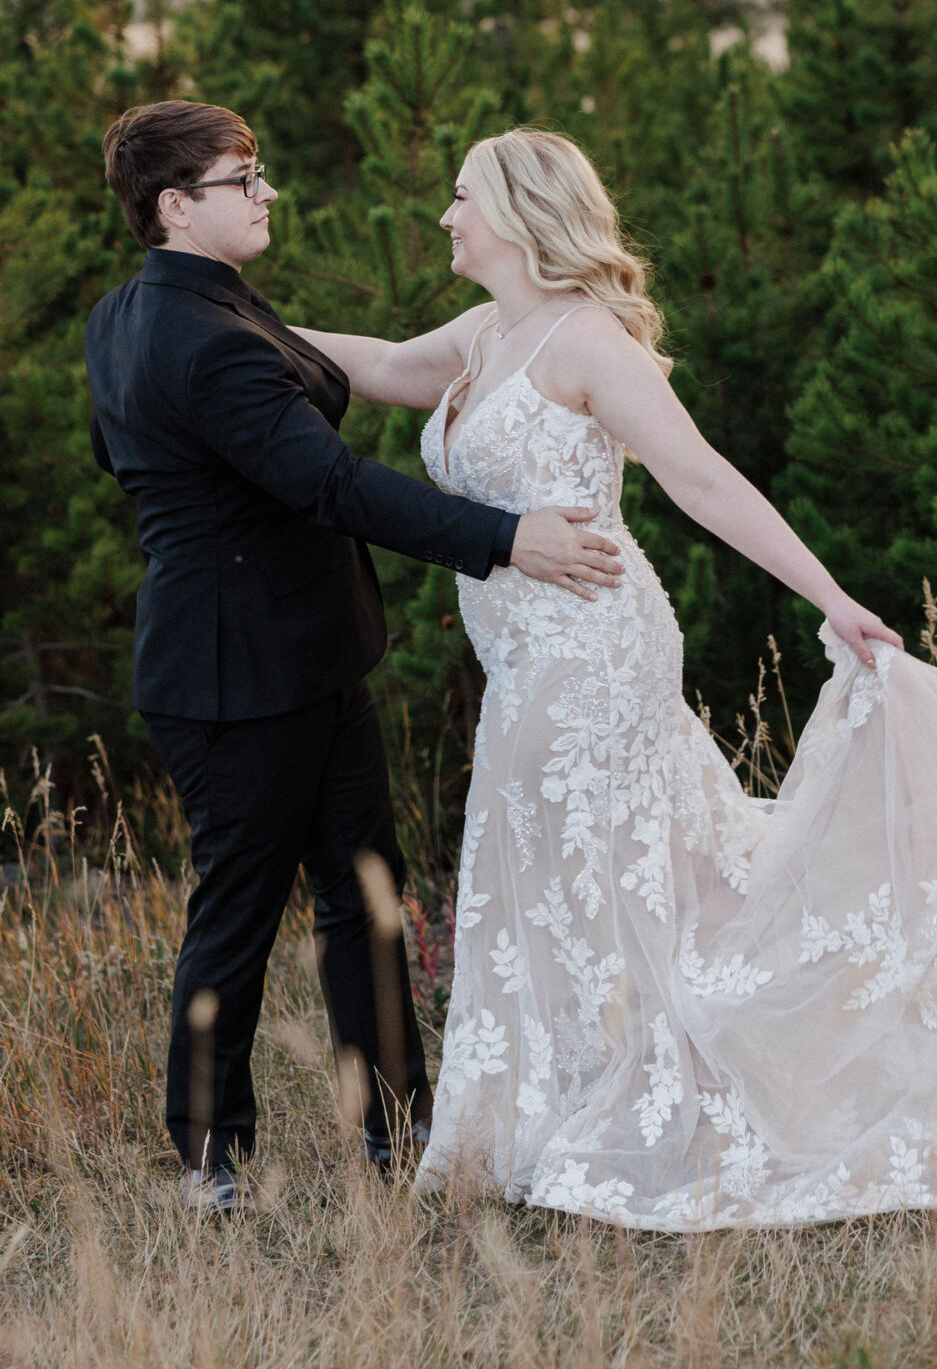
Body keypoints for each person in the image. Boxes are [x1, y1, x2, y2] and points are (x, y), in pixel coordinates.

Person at [295, 126, 937, 1230]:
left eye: (461, 198)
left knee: (588, 857)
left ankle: (641, 1099)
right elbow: (365, 365)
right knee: (577, 858)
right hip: (518, 649)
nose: (446, 216)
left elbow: (700, 476)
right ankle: (573, 1095)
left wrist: (830, 596)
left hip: (592, 643)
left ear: (514, 210)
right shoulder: (478, 334)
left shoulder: (585, 339)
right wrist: (228, 317)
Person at [84, 100, 622, 1214]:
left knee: (366, 895)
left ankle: (397, 1127)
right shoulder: (204, 339)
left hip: (307, 656)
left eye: (262, 169)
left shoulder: (134, 316)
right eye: (243, 178)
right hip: (237, 676)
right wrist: (506, 539)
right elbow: (334, 486)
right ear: (177, 205)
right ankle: (208, 1160)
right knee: (238, 909)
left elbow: (131, 455)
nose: (266, 189)